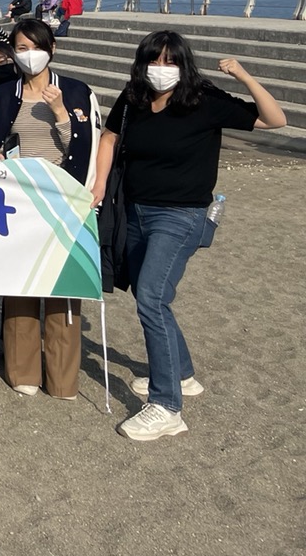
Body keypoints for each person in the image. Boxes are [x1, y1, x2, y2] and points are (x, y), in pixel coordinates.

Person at [92, 32, 285, 441]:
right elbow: (109, 136)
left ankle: (167, 406)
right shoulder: (134, 98)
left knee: (151, 298)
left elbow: (274, 119)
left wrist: (244, 75)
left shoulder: (204, 100)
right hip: (135, 211)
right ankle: (182, 374)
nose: (161, 69)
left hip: (181, 216)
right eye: (153, 60)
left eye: (170, 61)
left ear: (184, 64)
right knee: (152, 295)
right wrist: (99, 184)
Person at [0, 18, 99, 400]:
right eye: (21, 47)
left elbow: (85, 149)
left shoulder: (78, 91)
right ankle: (22, 371)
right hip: (18, 202)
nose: (29, 54)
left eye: (36, 47)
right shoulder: (3, 94)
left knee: (64, 287)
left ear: (52, 49)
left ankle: (63, 379)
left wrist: (62, 113)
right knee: (21, 284)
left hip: (64, 200)